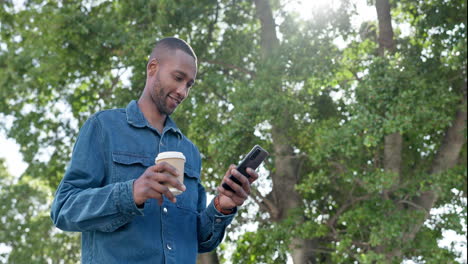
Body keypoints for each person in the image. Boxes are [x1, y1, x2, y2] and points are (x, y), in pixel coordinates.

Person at [51, 37, 258, 264]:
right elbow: (63, 209)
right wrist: (131, 193)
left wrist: (223, 206)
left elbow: (198, 240)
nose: (183, 92)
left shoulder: (190, 152)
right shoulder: (103, 127)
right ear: (153, 68)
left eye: (189, 84)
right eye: (178, 78)